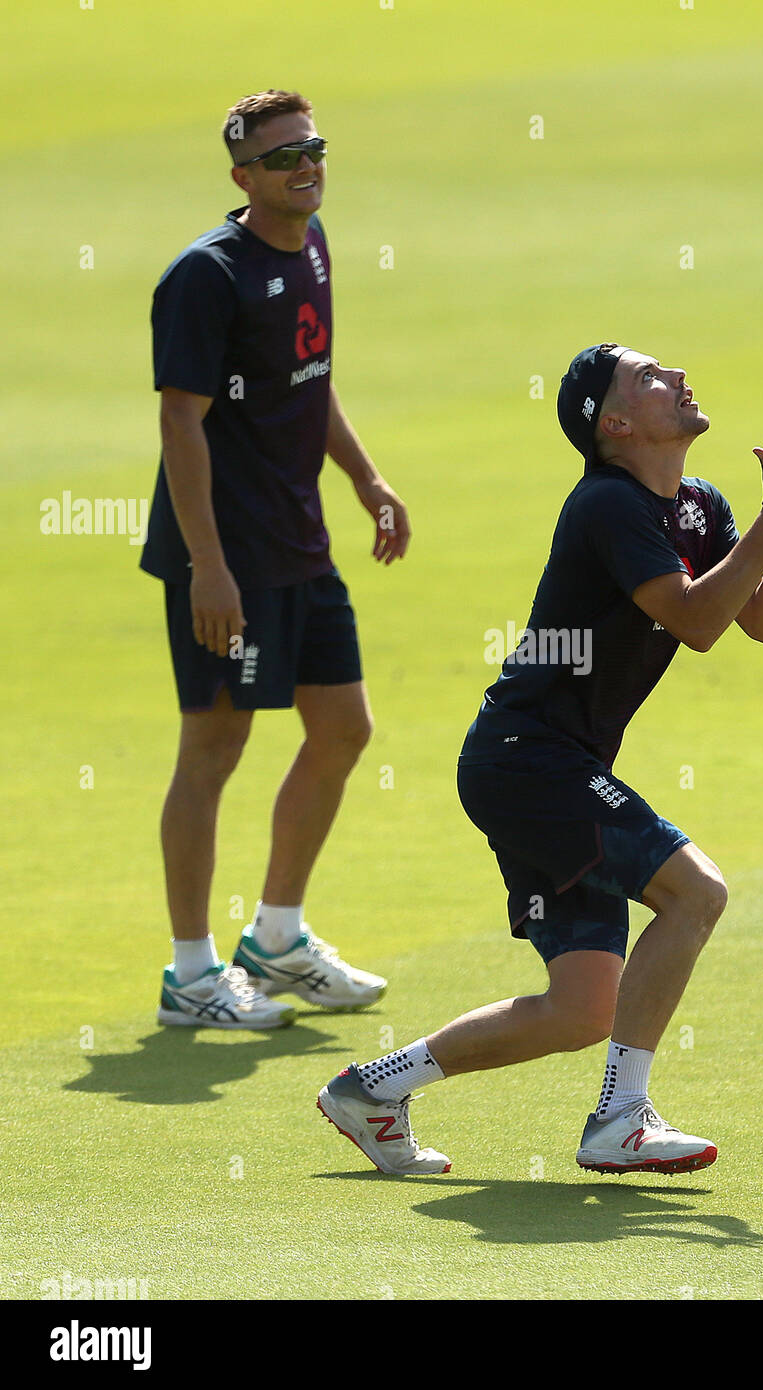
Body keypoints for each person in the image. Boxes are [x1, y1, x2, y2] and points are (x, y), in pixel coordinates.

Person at [317, 342, 763, 1173]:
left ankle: (370, 1091)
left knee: (582, 1009)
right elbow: (693, 618)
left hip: (544, 765)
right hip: (527, 759)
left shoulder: (696, 506)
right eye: (650, 377)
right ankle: (621, 1120)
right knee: (696, 893)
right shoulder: (606, 506)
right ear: (614, 425)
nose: (679, 375)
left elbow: (760, 620)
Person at [141, 90, 410, 1029]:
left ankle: (279, 939)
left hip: (300, 543)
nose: (305, 165)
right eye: (282, 156)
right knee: (215, 745)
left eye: (313, 147)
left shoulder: (316, 246)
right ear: (241, 177)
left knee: (343, 729)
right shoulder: (206, 277)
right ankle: (191, 973)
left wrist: (367, 482)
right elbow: (182, 418)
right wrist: (207, 567)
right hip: (227, 555)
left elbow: (312, 382)